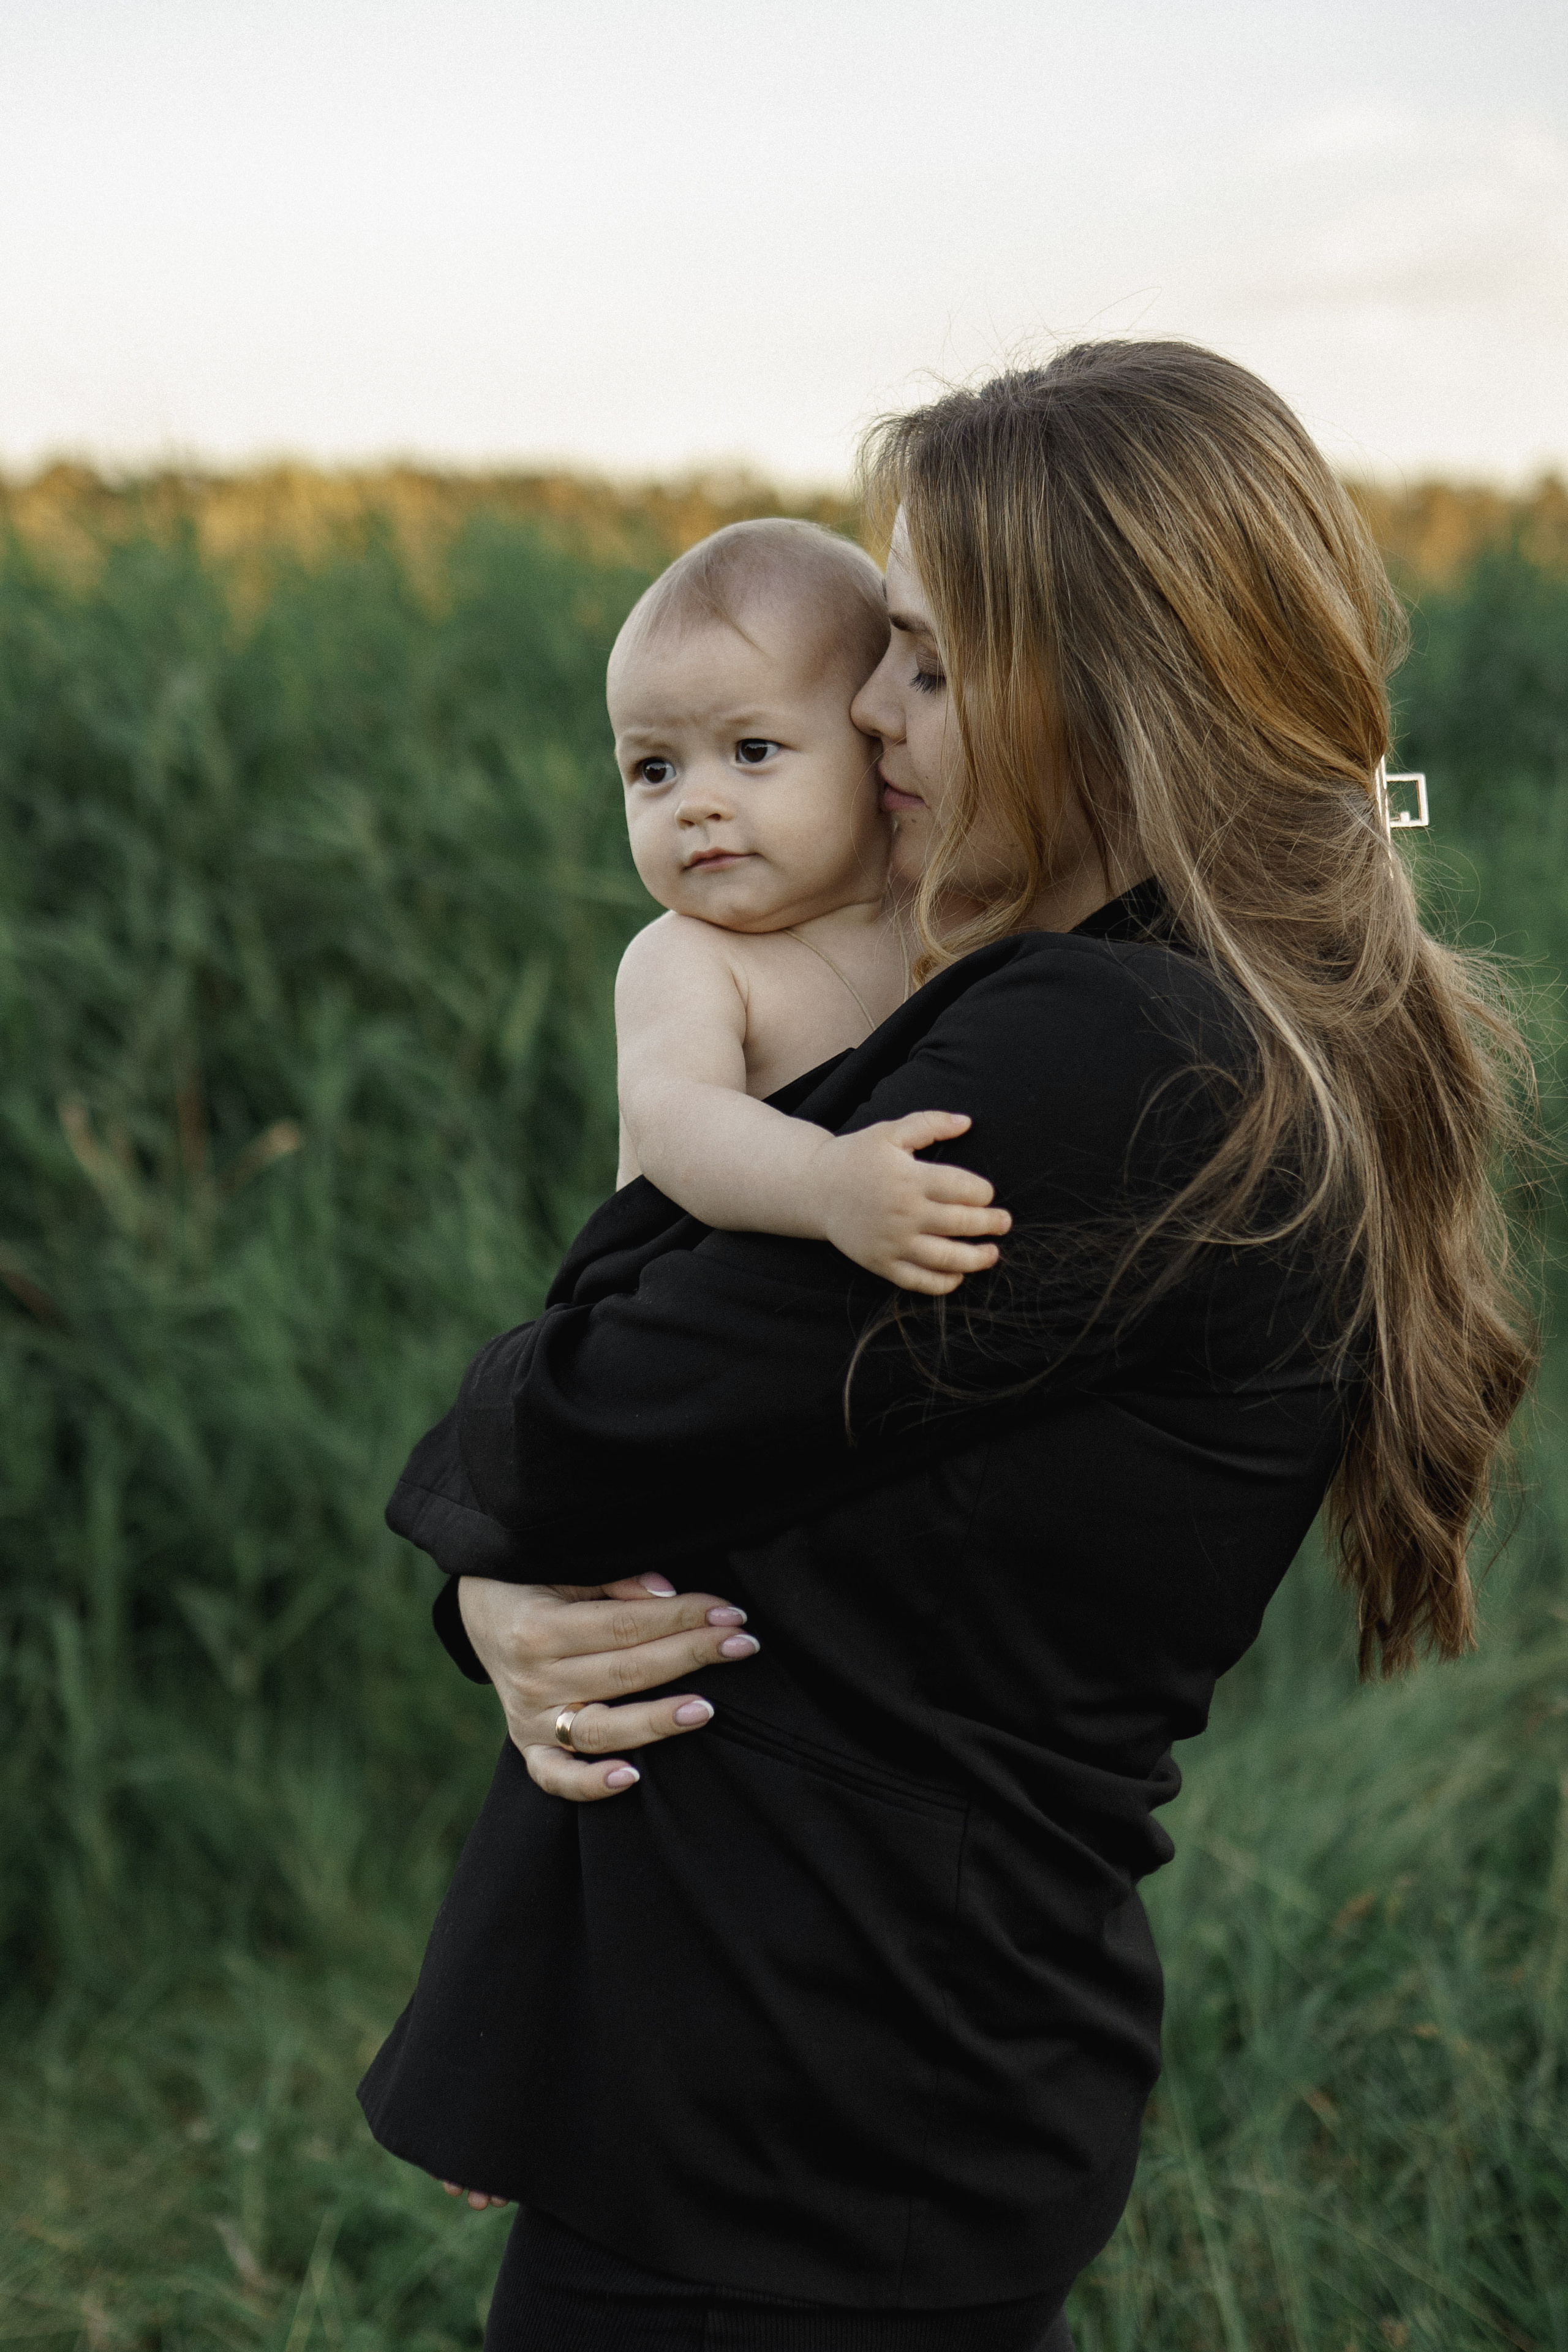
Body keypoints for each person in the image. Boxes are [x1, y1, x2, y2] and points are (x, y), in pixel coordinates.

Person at [359, 341, 1535, 2352]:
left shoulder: (1106, 1065)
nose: (865, 713)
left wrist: (496, 1546)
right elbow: (689, 1444)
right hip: (851, 2063)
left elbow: (576, 1422)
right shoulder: (1157, 1014)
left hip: (806, 2100)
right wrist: (502, 1598)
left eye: (919, 656)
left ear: (1091, 688)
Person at [609, 514, 1011, 1296]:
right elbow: (675, 1117)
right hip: (698, 1319)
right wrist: (825, 1184)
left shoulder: (950, 910)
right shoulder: (689, 958)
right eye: (654, 768)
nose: (695, 804)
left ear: (872, 743)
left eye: (751, 752)